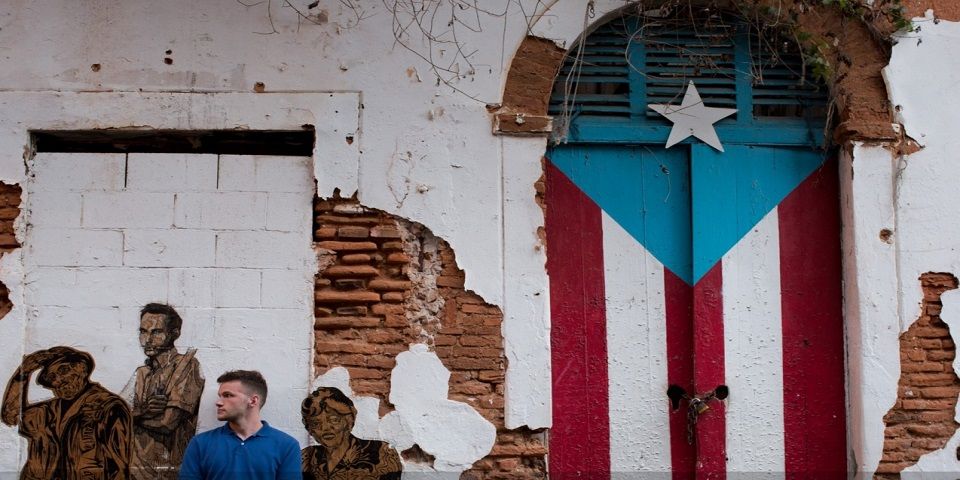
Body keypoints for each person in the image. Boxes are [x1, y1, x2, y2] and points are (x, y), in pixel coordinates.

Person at [1, 346, 131, 480]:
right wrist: (23, 372)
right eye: (52, 377)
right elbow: (11, 416)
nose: (58, 380)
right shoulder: (47, 411)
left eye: (64, 370)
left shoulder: (109, 407)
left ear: (82, 369)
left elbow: (119, 467)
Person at [124, 303, 205, 479]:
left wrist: (132, 417)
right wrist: (144, 411)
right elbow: (114, 416)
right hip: (134, 469)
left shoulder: (187, 366)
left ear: (175, 334)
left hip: (166, 471)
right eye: (143, 332)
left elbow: (167, 423)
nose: (147, 340)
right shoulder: (142, 372)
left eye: (156, 332)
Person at [179, 370, 300, 480]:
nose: (218, 402)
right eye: (220, 396)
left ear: (253, 401)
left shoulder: (286, 446)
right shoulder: (200, 444)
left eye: (228, 395)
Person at [300, 387, 402, 480]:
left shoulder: (381, 452)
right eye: (316, 423)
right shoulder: (306, 456)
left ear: (348, 420)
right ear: (310, 429)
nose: (325, 428)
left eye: (334, 419)